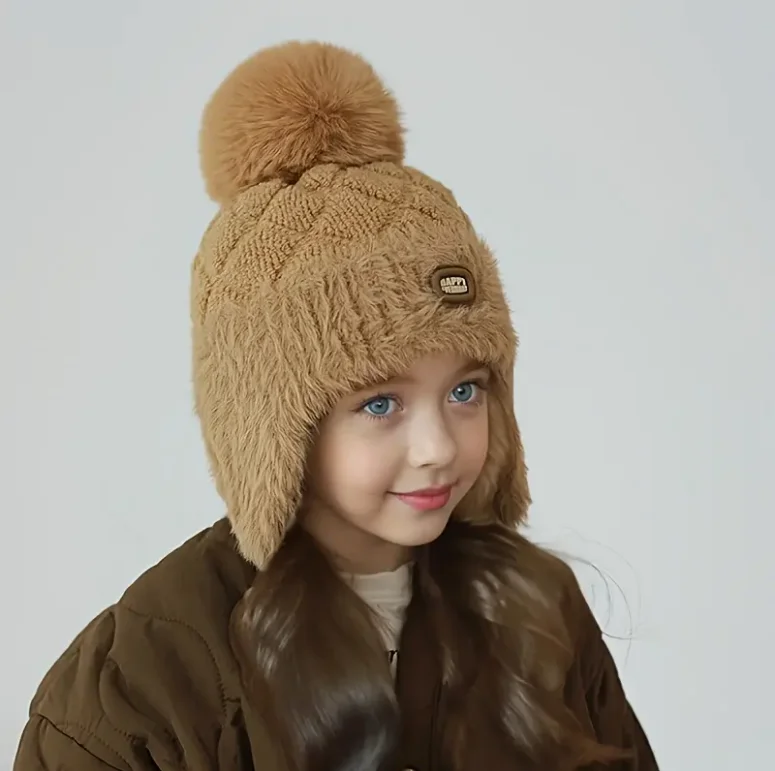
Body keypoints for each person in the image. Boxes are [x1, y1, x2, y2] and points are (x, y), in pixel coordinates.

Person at [13, 40, 658, 771]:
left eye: (464, 390)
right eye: (380, 403)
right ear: (271, 424)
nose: (438, 447)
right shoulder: (145, 678)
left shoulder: (536, 613)